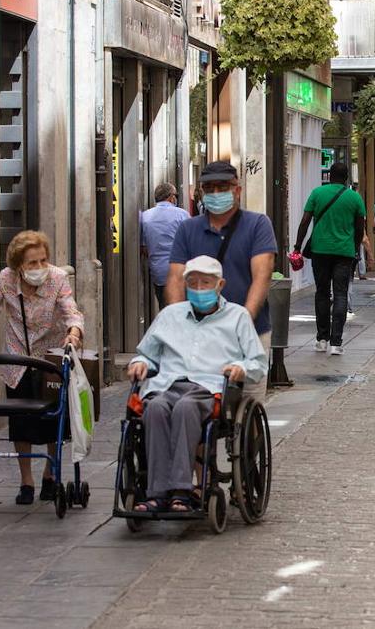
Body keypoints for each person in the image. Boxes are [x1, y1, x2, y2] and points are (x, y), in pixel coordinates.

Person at [126, 256, 266, 513]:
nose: (199, 289)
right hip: (167, 384)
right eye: (193, 283)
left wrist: (240, 368)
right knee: (154, 408)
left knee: (185, 408)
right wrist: (139, 362)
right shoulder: (170, 315)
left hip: (209, 389)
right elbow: (146, 352)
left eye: (206, 283)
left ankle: (181, 489)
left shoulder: (237, 317)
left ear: (220, 284)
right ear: (185, 285)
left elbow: (258, 362)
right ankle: (156, 492)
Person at [0, 230, 84, 505]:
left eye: (42, 260)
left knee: (53, 419)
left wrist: (74, 333)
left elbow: (71, 311)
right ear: (18, 265)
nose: (39, 267)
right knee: (21, 423)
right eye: (32, 263)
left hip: (50, 358)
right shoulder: (6, 280)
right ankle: (26, 480)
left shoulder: (58, 278)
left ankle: (50, 474)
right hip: (17, 358)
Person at [166, 162, 277, 390]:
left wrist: (241, 323)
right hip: (198, 336)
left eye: (223, 187)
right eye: (210, 188)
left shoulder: (257, 225)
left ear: (237, 190)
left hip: (249, 335)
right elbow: (176, 279)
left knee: (245, 402)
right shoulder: (188, 229)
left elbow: (262, 277)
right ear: (202, 192)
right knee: (193, 401)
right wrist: (178, 323)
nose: (216, 193)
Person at [294, 162, 366, 355]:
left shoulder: (317, 194)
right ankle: (336, 342)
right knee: (341, 294)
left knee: (322, 293)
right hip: (344, 252)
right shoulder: (355, 198)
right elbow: (360, 228)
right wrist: (355, 248)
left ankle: (322, 339)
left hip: (320, 250)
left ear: (328, 176)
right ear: (347, 177)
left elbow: (304, 222)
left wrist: (297, 247)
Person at [141, 182, 190, 308]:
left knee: (166, 310)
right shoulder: (182, 215)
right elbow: (192, 244)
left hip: (159, 273)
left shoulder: (145, 216)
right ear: (171, 197)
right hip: (182, 273)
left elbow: (144, 248)